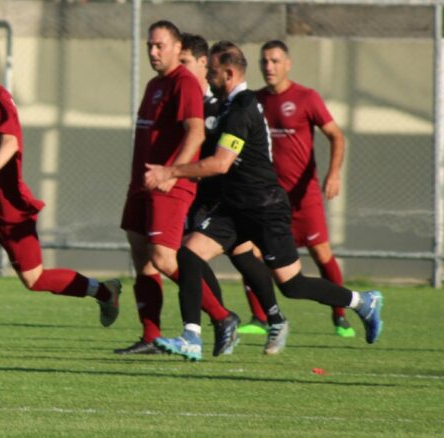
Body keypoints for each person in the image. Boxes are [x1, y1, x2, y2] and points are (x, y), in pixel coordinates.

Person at [143, 42, 382, 361]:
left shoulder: (241, 108)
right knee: (188, 254)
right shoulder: (229, 105)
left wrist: (171, 171)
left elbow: (221, 164)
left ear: (229, 74)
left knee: (292, 285)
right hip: (234, 208)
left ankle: (362, 302)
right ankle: (191, 337)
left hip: (264, 207)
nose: (208, 76)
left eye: (212, 71)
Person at [0, 46, 120, 359]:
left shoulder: (0, 101)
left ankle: (105, 291)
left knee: (35, 280)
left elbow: (10, 143)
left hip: (11, 210)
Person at [116, 21, 234, 355]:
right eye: (150, 46)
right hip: (143, 182)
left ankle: (222, 316)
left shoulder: (184, 82)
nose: (153, 52)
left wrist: (173, 172)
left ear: (177, 47)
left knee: (164, 259)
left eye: (160, 46)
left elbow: (195, 133)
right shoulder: (155, 84)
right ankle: (150, 336)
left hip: (168, 184)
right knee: (141, 255)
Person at [236, 40, 353, 338]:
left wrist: (334, 173)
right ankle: (260, 317)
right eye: (264, 61)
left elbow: (336, 136)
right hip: (267, 199)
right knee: (250, 253)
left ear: (288, 64)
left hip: (303, 197)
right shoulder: (255, 101)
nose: (269, 66)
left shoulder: (306, 97)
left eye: (275, 61)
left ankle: (340, 315)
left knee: (321, 253)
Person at [179, 34, 287, 356]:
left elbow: (225, 156)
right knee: (225, 255)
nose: (180, 69)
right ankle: (255, 318)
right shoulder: (190, 98)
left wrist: (173, 172)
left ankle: (227, 320)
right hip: (205, 191)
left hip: (225, 193)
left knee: (205, 254)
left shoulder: (224, 103)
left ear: (203, 64)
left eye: (185, 63)